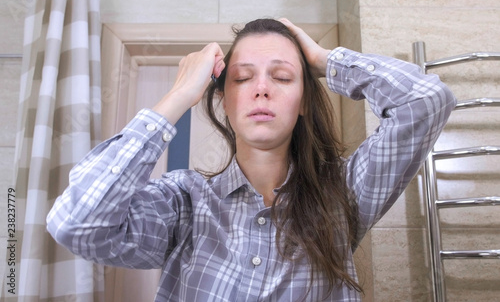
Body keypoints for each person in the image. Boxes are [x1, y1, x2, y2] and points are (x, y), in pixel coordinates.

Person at [47, 18, 456, 301]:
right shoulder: (184, 202)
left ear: (302, 103)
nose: (261, 89)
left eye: (281, 77)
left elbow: (427, 101)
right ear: (224, 99)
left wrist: (324, 60)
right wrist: (178, 97)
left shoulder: (345, 192)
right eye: (242, 78)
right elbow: (77, 223)